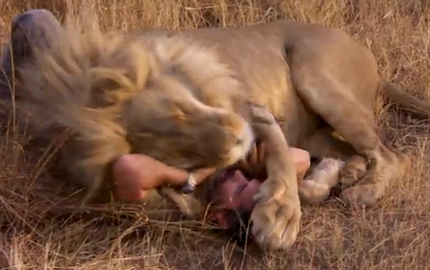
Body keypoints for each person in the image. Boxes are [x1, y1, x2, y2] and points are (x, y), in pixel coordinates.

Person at [1, 9, 343, 236]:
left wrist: (191, 177)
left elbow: (130, 172)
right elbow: (297, 158)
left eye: (240, 188)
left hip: (61, 108)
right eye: (245, 178)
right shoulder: (230, 167)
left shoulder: (182, 204)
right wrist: (267, 175)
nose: (238, 174)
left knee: (36, 25)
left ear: (219, 217)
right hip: (112, 82)